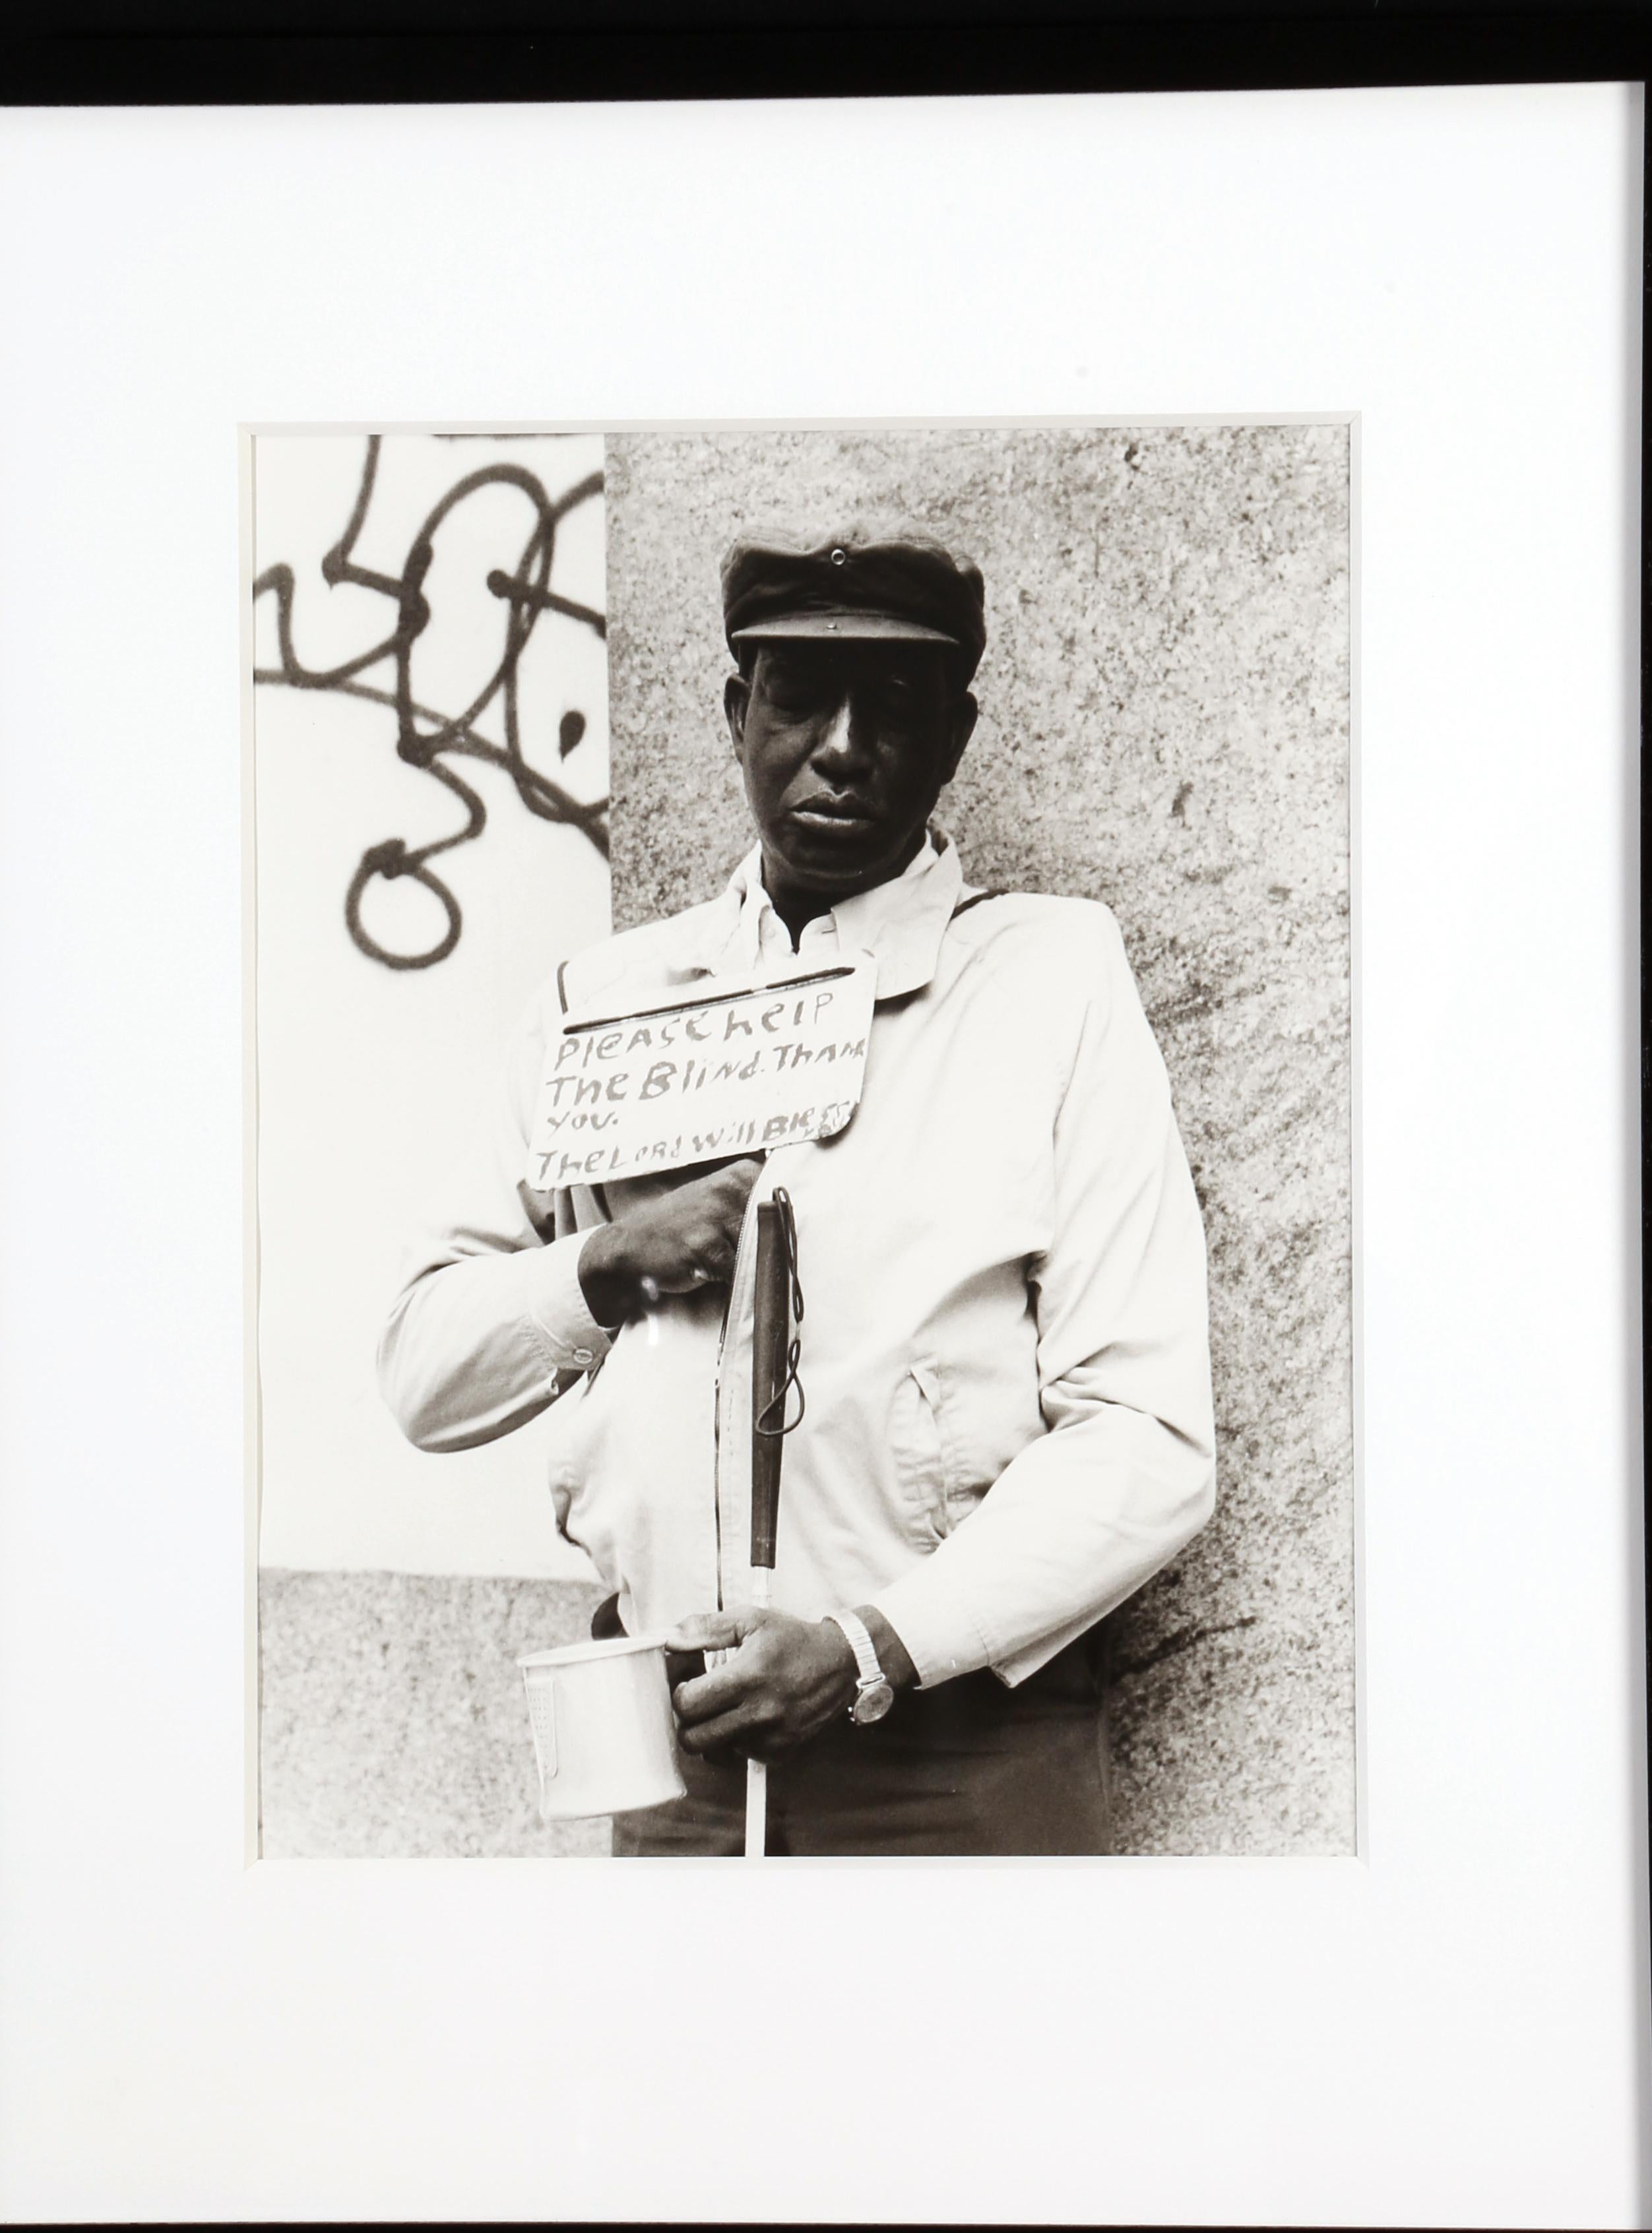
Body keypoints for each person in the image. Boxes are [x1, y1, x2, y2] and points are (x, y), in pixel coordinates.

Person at [379, 528, 1216, 1855]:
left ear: (953, 737)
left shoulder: (1047, 980)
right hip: (671, 1771)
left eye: (891, 705)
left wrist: (870, 1643)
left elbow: (1147, 1435)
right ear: (734, 713)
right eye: (795, 694)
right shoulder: (603, 1004)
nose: (838, 744)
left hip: (953, 1769)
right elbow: (425, 1376)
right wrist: (604, 1268)